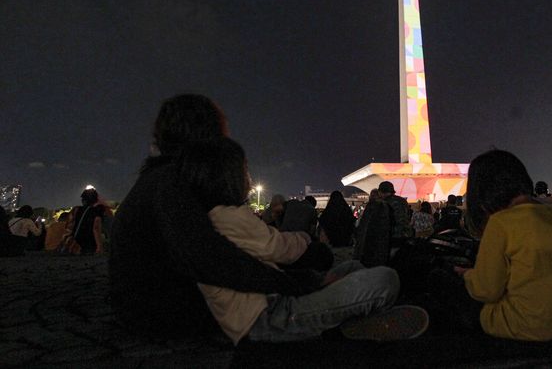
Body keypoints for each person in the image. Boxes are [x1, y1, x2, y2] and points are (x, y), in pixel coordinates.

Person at [109, 94, 423, 340]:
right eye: (223, 129)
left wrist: (308, 278)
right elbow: (214, 261)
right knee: (382, 279)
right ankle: (345, 324)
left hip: (201, 306)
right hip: (174, 317)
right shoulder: (170, 186)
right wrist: (301, 287)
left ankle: (349, 315)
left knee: (355, 268)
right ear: (207, 135)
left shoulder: (168, 181)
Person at [177, 137, 426, 344]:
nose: (248, 177)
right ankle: (348, 328)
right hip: (272, 317)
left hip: (268, 303)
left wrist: (314, 281)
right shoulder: (226, 215)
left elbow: (260, 264)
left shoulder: (211, 215)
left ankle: (355, 321)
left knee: (354, 267)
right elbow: (279, 250)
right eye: (244, 169)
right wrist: (306, 238)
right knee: (385, 279)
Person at [450, 150, 552, 341]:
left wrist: (468, 275)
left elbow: (487, 290)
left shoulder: (500, 222)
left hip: (521, 324)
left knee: (445, 284)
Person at [67, 188, 105, 254]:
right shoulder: (98, 209)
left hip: (75, 245)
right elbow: (96, 227)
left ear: (83, 200)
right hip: (89, 245)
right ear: (96, 200)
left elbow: (70, 226)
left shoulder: (76, 209)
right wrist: (99, 247)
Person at [378, 181, 413, 249]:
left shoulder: (383, 203)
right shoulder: (403, 200)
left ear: (381, 191)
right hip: (405, 234)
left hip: (391, 235)